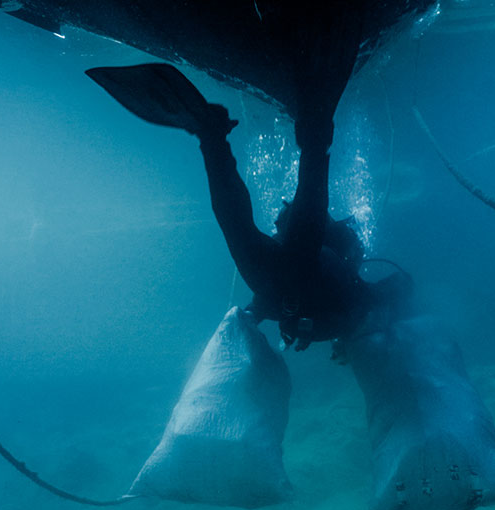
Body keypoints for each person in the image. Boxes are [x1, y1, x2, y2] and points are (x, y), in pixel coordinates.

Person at [87, 62, 413, 350]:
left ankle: (219, 135)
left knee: (246, 226)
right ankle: (218, 136)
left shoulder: (336, 290)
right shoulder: (351, 291)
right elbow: (386, 291)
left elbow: (264, 306)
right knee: (245, 228)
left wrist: (294, 327)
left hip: (282, 284)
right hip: (297, 276)